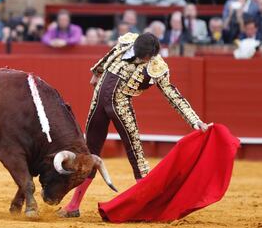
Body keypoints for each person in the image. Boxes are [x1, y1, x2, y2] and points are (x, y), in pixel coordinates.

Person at [57, 32, 209, 218]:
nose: (140, 59)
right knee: (90, 152)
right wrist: (97, 72)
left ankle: (149, 206)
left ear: (150, 56)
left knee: (136, 155)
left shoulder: (156, 65)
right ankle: (73, 206)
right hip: (98, 102)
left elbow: (172, 94)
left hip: (120, 107)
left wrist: (194, 120)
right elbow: (110, 54)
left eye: (143, 58)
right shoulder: (128, 42)